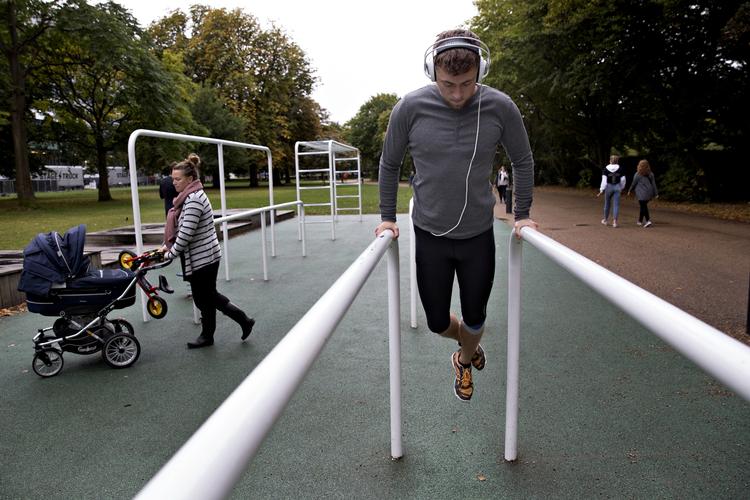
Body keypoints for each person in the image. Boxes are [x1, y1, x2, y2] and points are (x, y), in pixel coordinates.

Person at [375, 29, 537, 402]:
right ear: (432, 71)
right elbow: (389, 163)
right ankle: (469, 345)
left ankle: (464, 360)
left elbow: (523, 160)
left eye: (467, 83)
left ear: (481, 70)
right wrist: (387, 217)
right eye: (448, 84)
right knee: (436, 321)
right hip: (430, 233)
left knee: (476, 316)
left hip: (477, 234)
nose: (459, 94)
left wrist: (522, 214)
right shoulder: (409, 108)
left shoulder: (500, 106)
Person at [161, 154, 255, 349]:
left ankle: (240, 321)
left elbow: (186, 234)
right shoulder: (187, 197)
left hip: (204, 258)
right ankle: (211, 334)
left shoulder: (193, 199)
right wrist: (166, 245)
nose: (174, 182)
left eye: (178, 179)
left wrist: (170, 254)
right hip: (201, 257)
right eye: (173, 179)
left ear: (190, 179)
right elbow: (181, 229)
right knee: (203, 298)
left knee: (207, 297)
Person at [597, 155, 626, 228]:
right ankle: (615, 222)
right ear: (617, 161)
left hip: (608, 187)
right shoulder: (620, 169)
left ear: (610, 161)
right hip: (617, 187)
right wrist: (621, 187)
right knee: (616, 205)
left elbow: (604, 181)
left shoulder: (606, 169)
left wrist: (601, 189)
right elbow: (623, 179)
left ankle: (605, 220)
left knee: (607, 204)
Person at [628, 159, 658, 227]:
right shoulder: (651, 174)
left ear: (639, 166)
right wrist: (656, 193)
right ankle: (640, 221)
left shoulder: (637, 174)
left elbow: (633, 183)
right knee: (643, 206)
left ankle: (648, 220)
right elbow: (654, 184)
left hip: (641, 193)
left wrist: (629, 190)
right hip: (649, 193)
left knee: (643, 206)